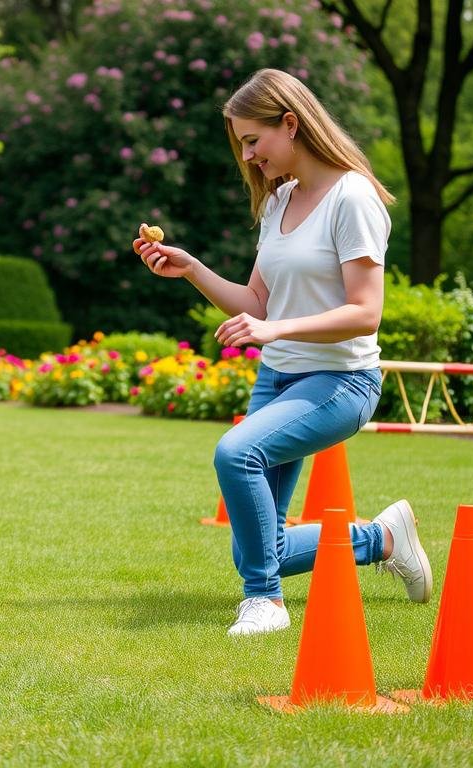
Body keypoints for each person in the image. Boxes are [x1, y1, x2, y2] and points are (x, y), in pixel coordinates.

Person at [131, 68, 432, 637]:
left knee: (235, 454)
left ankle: (266, 603)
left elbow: (365, 311)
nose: (247, 157)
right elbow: (256, 303)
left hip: (342, 382)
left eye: (252, 141)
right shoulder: (279, 203)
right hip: (280, 378)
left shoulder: (353, 198)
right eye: (241, 144)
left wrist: (275, 331)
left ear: (290, 124)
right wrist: (191, 268)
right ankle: (383, 539)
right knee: (255, 549)